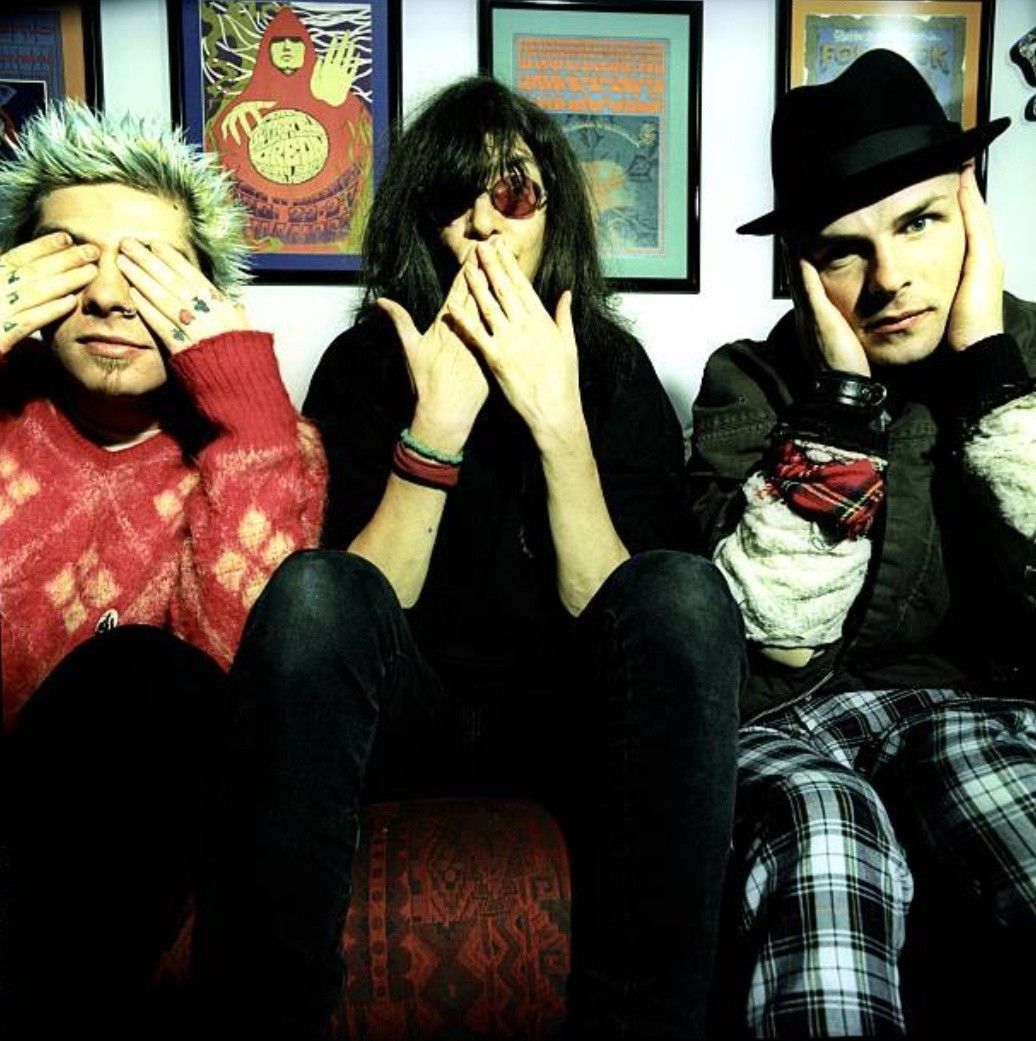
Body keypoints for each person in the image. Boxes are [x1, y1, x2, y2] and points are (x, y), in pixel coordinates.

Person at [199, 76, 744, 1041]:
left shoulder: (615, 371)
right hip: (413, 715)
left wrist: (559, 423)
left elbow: (621, 612)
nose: (486, 226)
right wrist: (436, 429)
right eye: (455, 202)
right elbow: (358, 605)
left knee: (685, 594)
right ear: (424, 230)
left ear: (552, 214)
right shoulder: (366, 365)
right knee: (316, 591)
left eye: (514, 194)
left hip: (562, 720)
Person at [686, 49, 1036, 1038]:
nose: (888, 279)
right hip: (791, 720)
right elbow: (776, 650)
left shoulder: (1034, 357)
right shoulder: (749, 381)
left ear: (972, 207)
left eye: (918, 223)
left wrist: (991, 386)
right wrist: (839, 410)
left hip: (980, 713)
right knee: (821, 824)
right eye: (843, 251)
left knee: (990, 784)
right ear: (799, 264)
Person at [0, 100, 327, 1039]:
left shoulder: (268, 449)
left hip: (154, 822)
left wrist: (251, 417)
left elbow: (237, 694)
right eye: (69, 261)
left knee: (144, 674)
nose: (107, 298)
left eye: (146, 269)